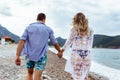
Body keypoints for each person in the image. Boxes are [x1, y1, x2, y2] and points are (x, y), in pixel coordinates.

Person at [15, 13, 61, 80]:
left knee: (29, 73)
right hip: (41, 57)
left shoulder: (29, 27)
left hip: (29, 56)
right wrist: (59, 51)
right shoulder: (48, 29)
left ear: (37, 19)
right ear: (44, 19)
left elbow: (21, 41)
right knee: (38, 77)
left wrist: (17, 55)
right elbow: (54, 42)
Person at [58, 12, 94, 80]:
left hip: (76, 55)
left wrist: (61, 51)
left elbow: (68, 42)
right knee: (84, 76)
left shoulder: (74, 29)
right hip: (87, 55)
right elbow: (90, 44)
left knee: (76, 76)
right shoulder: (91, 30)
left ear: (76, 20)